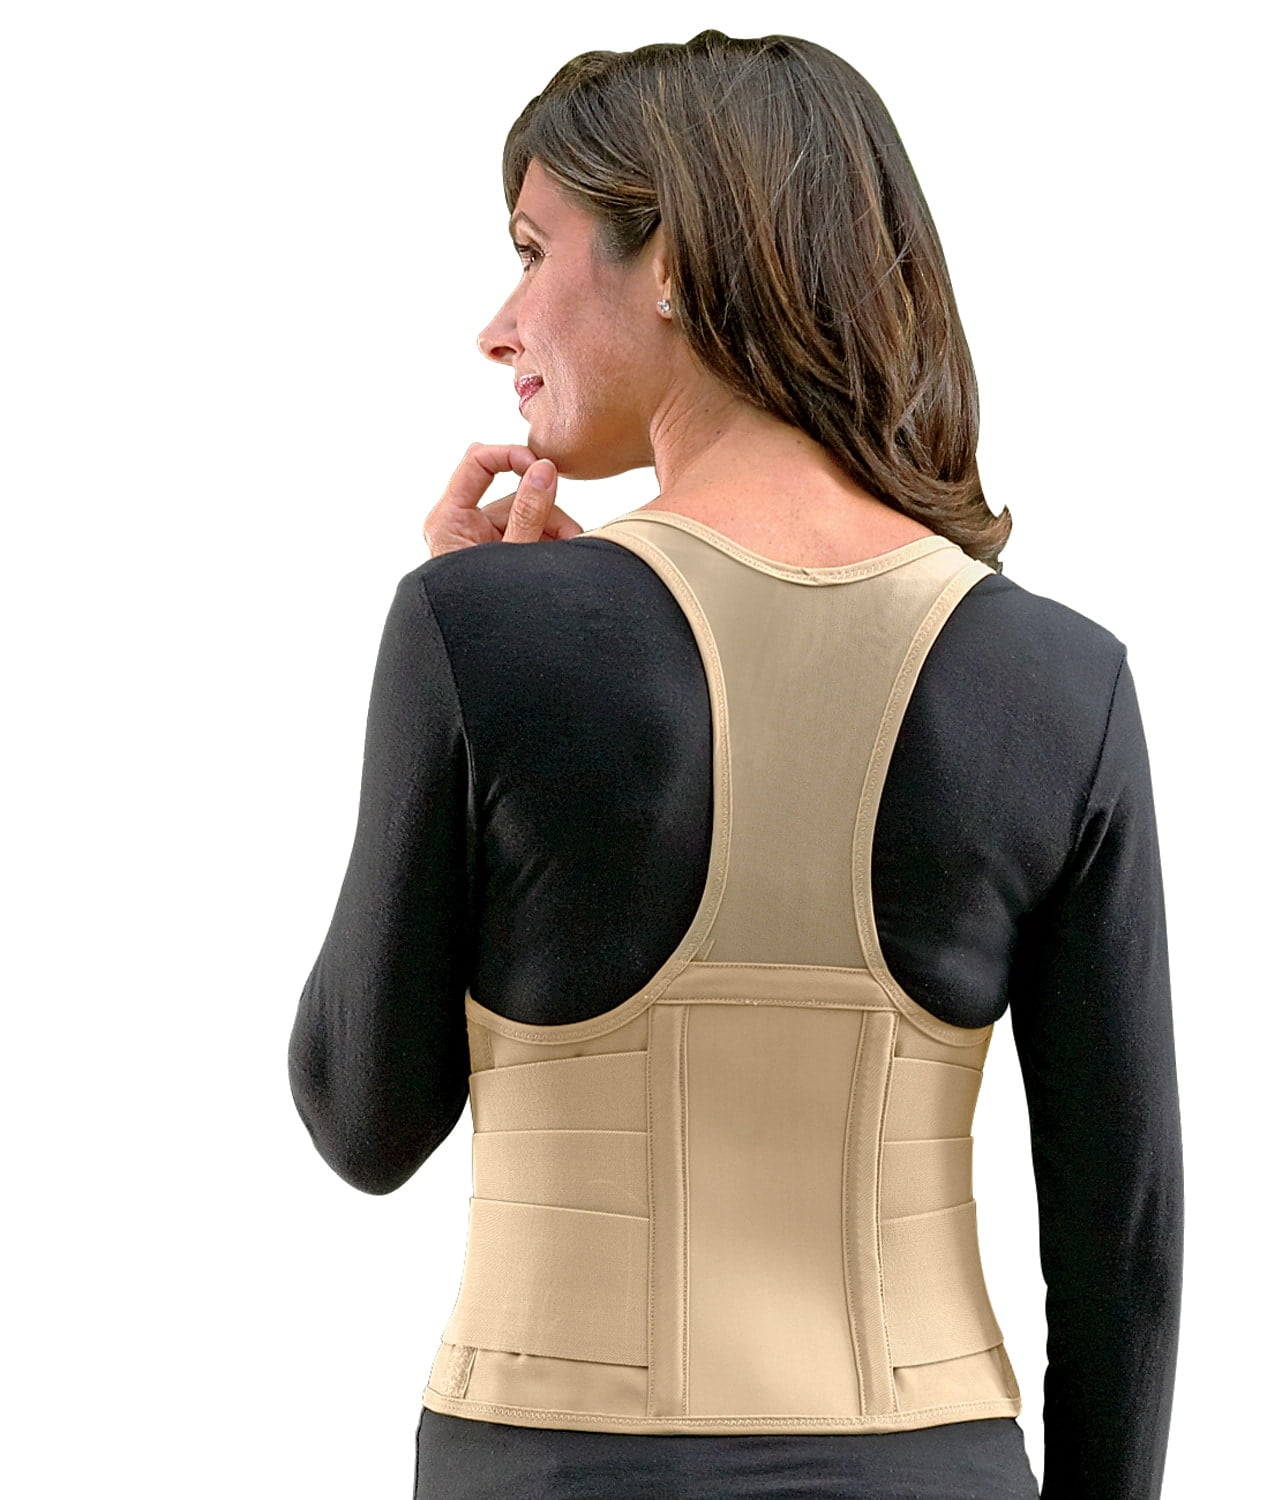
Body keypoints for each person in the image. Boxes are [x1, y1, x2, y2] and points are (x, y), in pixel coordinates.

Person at [287, 29, 1184, 1500]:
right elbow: (1124, 1239)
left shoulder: (480, 630)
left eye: (533, 250)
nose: (498, 327)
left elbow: (360, 1118)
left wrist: (455, 657)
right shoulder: (1062, 680)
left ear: (674, 260)